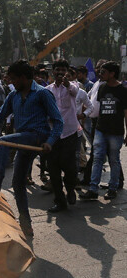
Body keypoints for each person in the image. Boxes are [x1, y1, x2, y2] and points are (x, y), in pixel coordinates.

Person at [0, 60, 63, 237]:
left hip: (37, 136)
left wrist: (50, 141)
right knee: (17, 183)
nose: (10, 82)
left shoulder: (43, 94)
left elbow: (58, 121)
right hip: (22, 141)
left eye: (13, 79)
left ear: (23, 77)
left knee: (2, 141)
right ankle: (26, 222)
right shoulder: (14, 96)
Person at [80, 61, 127, 201]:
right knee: (97, 159)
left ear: (112, 74)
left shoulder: (123, 91)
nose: (100, 74)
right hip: (100, 129)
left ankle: (112, 188)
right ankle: (93, 189)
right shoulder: (102, 88)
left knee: (114, 160)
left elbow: (126, 112)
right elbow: (99, 109)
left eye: (103, 72)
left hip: (116, 132)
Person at [45, 59, 81, 212]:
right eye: (57, 70)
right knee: (53, 169)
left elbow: (75, 92)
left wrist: (66, 84)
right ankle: (59, 201)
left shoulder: (73, 86)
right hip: (53, 134)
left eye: (62, 70)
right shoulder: (47, 90)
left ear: (67, 72)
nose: (60, 73)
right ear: (53, 72)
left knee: (70, 166)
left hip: (70, 132)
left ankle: (71, 189)